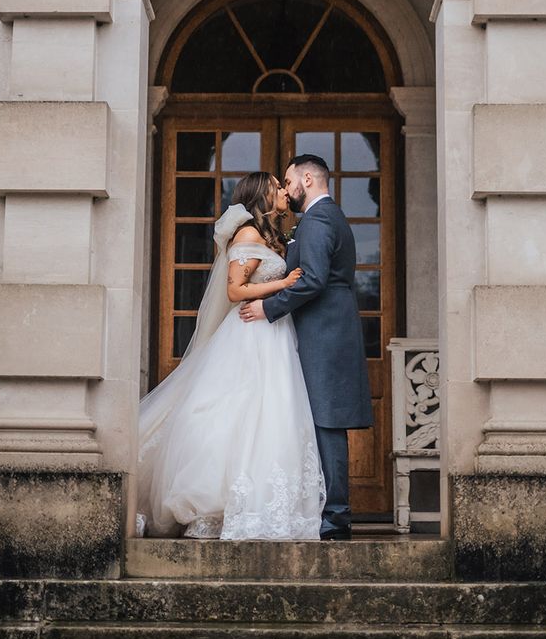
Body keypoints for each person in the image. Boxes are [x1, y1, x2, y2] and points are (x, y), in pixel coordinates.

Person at [137, 172, 326, 540]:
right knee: (239, 411)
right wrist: (284, 283)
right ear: (262, 195)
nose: (284, 191)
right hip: (249, 334)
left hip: (273, 335)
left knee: (273, 413)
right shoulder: (248, 235)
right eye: (276, 186)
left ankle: (264, 506)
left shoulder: (269, 237)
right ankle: (215, 508)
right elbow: (236, 290)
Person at [239, 155, 372, 541]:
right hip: (323, 331)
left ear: (308, 178)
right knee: (317, 423)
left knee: (327, 424)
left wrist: (268, 307)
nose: (285, 188)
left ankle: (335, 520)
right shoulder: (323, 218)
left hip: (325, 334)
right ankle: (327, 513)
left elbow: (313, 280)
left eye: (288, 180)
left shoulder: (318, 220)